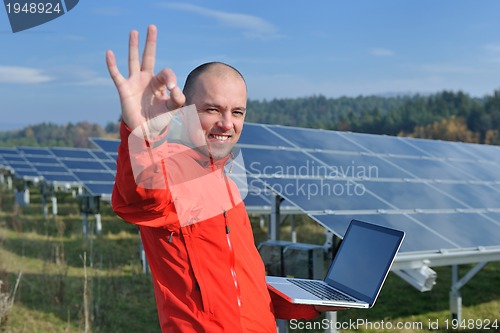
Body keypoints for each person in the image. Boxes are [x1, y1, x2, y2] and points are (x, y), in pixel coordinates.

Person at [106, 24, 340, 332]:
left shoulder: (227, 177)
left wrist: (308, 301)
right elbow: (140, 202)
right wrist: (143, 135)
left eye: (238, 112)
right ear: (182, 111)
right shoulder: (171, 173)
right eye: (213, 109)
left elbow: (238, 283)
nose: (226, 124)